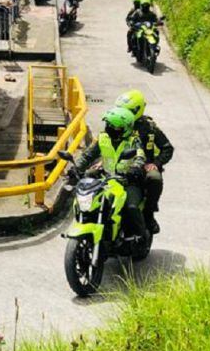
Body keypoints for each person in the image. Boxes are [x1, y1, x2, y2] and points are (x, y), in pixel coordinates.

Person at [69, 106, 148, 240]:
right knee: (89, 199)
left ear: (126, 128)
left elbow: (140, 157)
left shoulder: (134, 141)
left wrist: (134, 168)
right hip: (106, 179)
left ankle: (140, 236)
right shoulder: (102, 138)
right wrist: (75, 167)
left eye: (115, 127)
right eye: (109, 125)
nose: (110, 129)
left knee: (131, 206)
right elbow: (87, 155)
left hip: (128, 182)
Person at [114, 89, 174, 233]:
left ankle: (149, 213)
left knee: (154, 178)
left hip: (142, 169)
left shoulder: (150, 128)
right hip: (118, 167)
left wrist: (156, 164)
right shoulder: (115, 124)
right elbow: (104, 145)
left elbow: (167, 148)